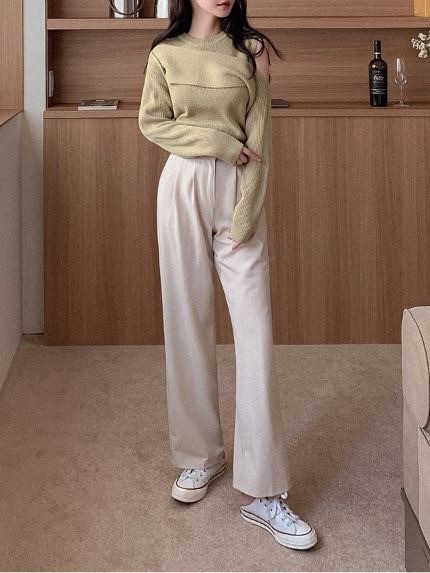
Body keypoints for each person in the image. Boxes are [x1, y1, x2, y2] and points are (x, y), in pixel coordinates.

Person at [138, 0, 317, 551]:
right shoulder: (165, 54)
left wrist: (246, 213)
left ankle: (263, 490)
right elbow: (153, 123)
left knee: (255, 337)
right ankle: (200, 456)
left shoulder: (251, 51)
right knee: (186, 324)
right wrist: (217, 142)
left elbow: (260, 137)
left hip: (239, 193)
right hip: (181, 188)